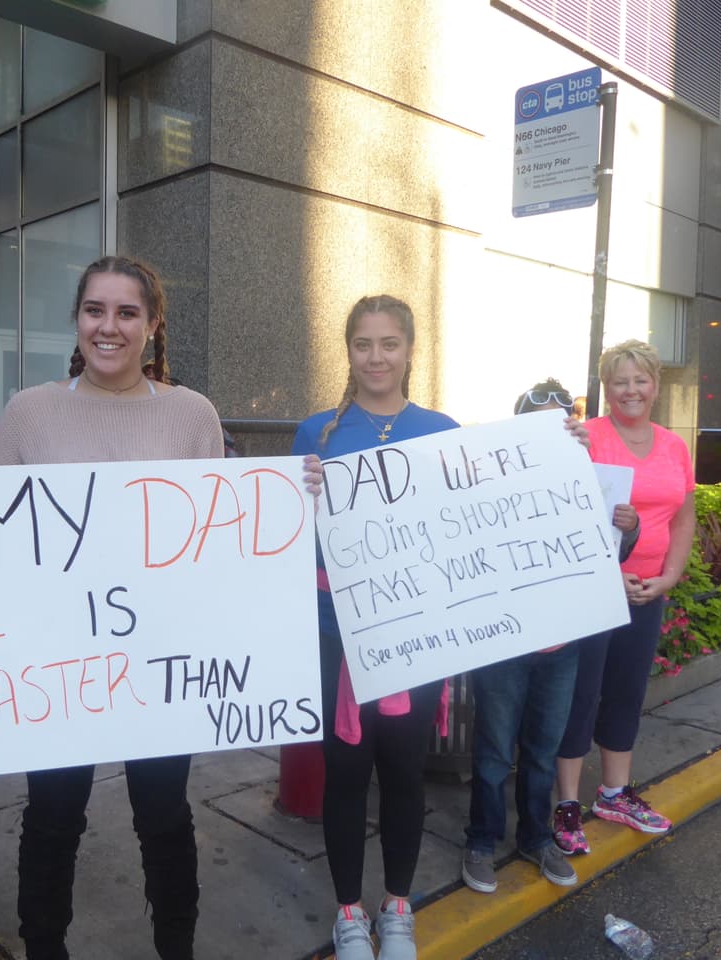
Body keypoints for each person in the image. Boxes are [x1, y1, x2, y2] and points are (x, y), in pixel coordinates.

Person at [0, 255, 322, 960]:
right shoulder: (28, 412)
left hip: (163, 661)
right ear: (77, 320)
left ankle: (177, 949)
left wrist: (291, 496)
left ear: (152, 324)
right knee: (52, 817)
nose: (110, 326)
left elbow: (223, 544)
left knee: (163, 817)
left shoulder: (192, 415)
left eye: (127, 312)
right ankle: (45, 948)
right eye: (95, 310)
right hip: (57, 665)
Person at [293, 294, 460, 960]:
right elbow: (290, 538)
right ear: (349, 351)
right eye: (364, 344)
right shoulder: (318, 435)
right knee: (346, 773)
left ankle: (396, 906)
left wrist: (561, 448)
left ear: (410, 350)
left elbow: (469, 525)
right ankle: (348, 912)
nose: (376, 357)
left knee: (403, 773)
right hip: (338, 634)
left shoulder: (442, 430)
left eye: (390, 343)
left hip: (416, 635)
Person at [461, 380, 638, 894]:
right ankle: (481, 839)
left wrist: (627, 528)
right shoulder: (488, 485)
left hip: (562, 647)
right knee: (494, 753)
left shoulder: (593, 481)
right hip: (504, 646)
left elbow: (611, 556)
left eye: (560, 425)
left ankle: (535, 837)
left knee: (542, 750)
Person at [552, 340, 696, 855]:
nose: (630, 390)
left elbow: (684, 516)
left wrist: (669, 577)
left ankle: (614, 793)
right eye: (619, 381)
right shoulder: (586, 438)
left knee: (627, 692)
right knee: (580, 695)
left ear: (656, 385)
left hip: (648, 591)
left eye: (640, 380)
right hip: (592, 590)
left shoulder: (674, 446)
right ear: (606, 389)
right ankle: (567, 804)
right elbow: (559, 513)